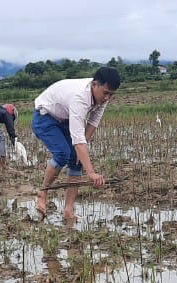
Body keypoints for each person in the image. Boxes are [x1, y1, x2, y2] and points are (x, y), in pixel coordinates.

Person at [32, 66, 121, 221]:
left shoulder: (102, 97)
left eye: (111, 94)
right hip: (44, 116)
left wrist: (81, 156)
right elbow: (78, 140)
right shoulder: (80, 98)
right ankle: (42, 193)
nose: (107, 98)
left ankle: (68, 210)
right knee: (62, 153)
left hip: (64, 118)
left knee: (76, 160)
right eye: (105, 93)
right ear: (94, 85)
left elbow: (92, 123)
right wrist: (91, 173)